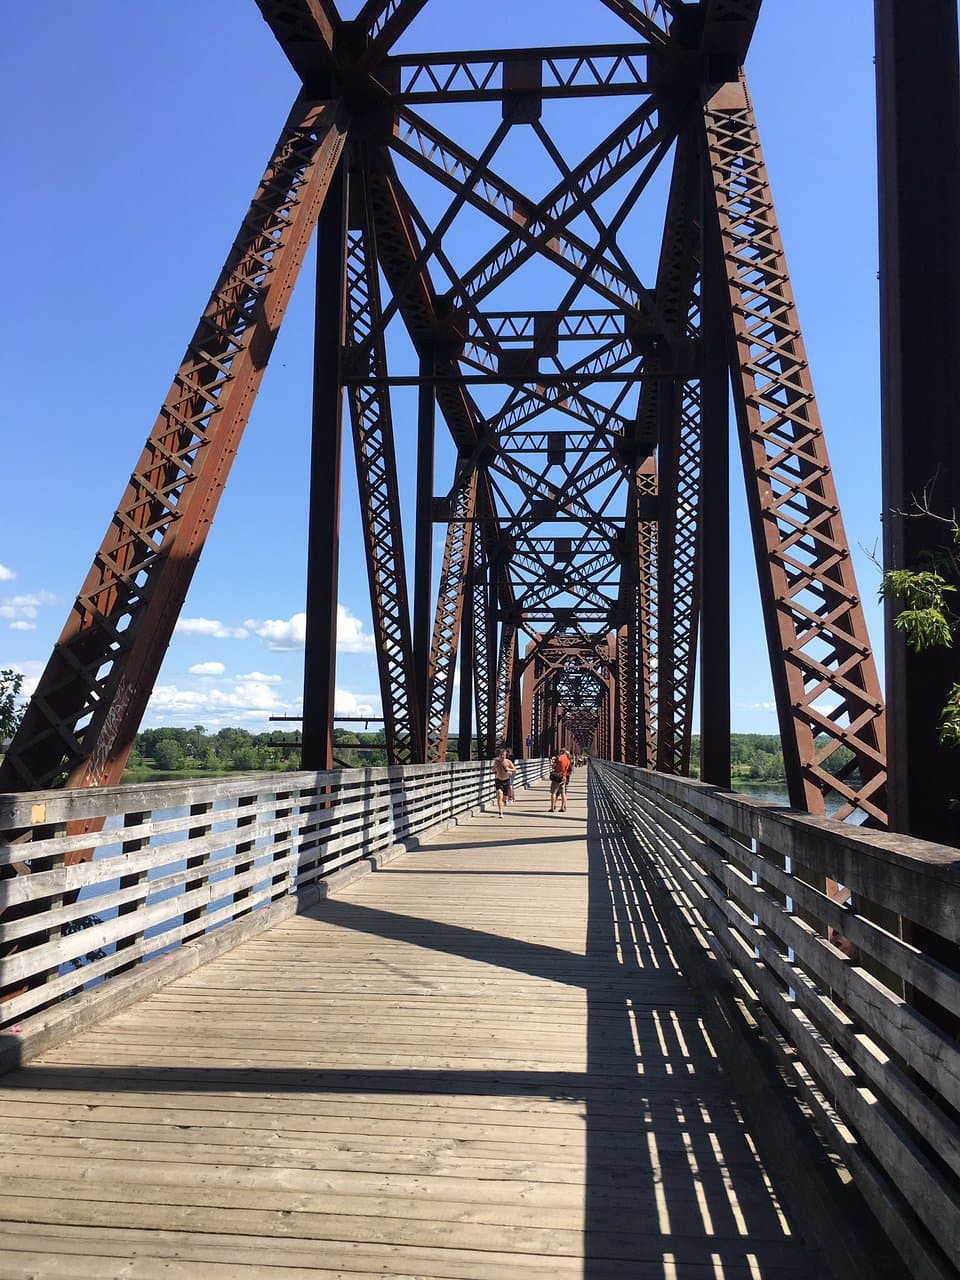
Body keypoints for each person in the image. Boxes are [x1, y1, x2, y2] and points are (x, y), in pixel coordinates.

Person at [492, 748, 517, 817]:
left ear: (506, 755)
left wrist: (509, 769)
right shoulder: (496, 762)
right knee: (499, 795)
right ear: (499, 755)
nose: (502, 756)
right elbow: (492, 770)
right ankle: (500, 812)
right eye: (501, 755)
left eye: (504, 755)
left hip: (506, 780)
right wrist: (495, 769)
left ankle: (506, 799)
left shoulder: (508, 762)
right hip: (498, 780)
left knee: (504, 798)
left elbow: (515, 770)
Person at [549, 746, 572, 813]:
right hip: (563, 777)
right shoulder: (568, 760)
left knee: (553, 792)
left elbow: (554, 766)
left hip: (556, 777)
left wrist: (551, 763)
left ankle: (552, 807)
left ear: (561, 752)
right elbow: (568, 770)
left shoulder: (558, 758)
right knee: (563, 793)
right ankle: (562, 807)